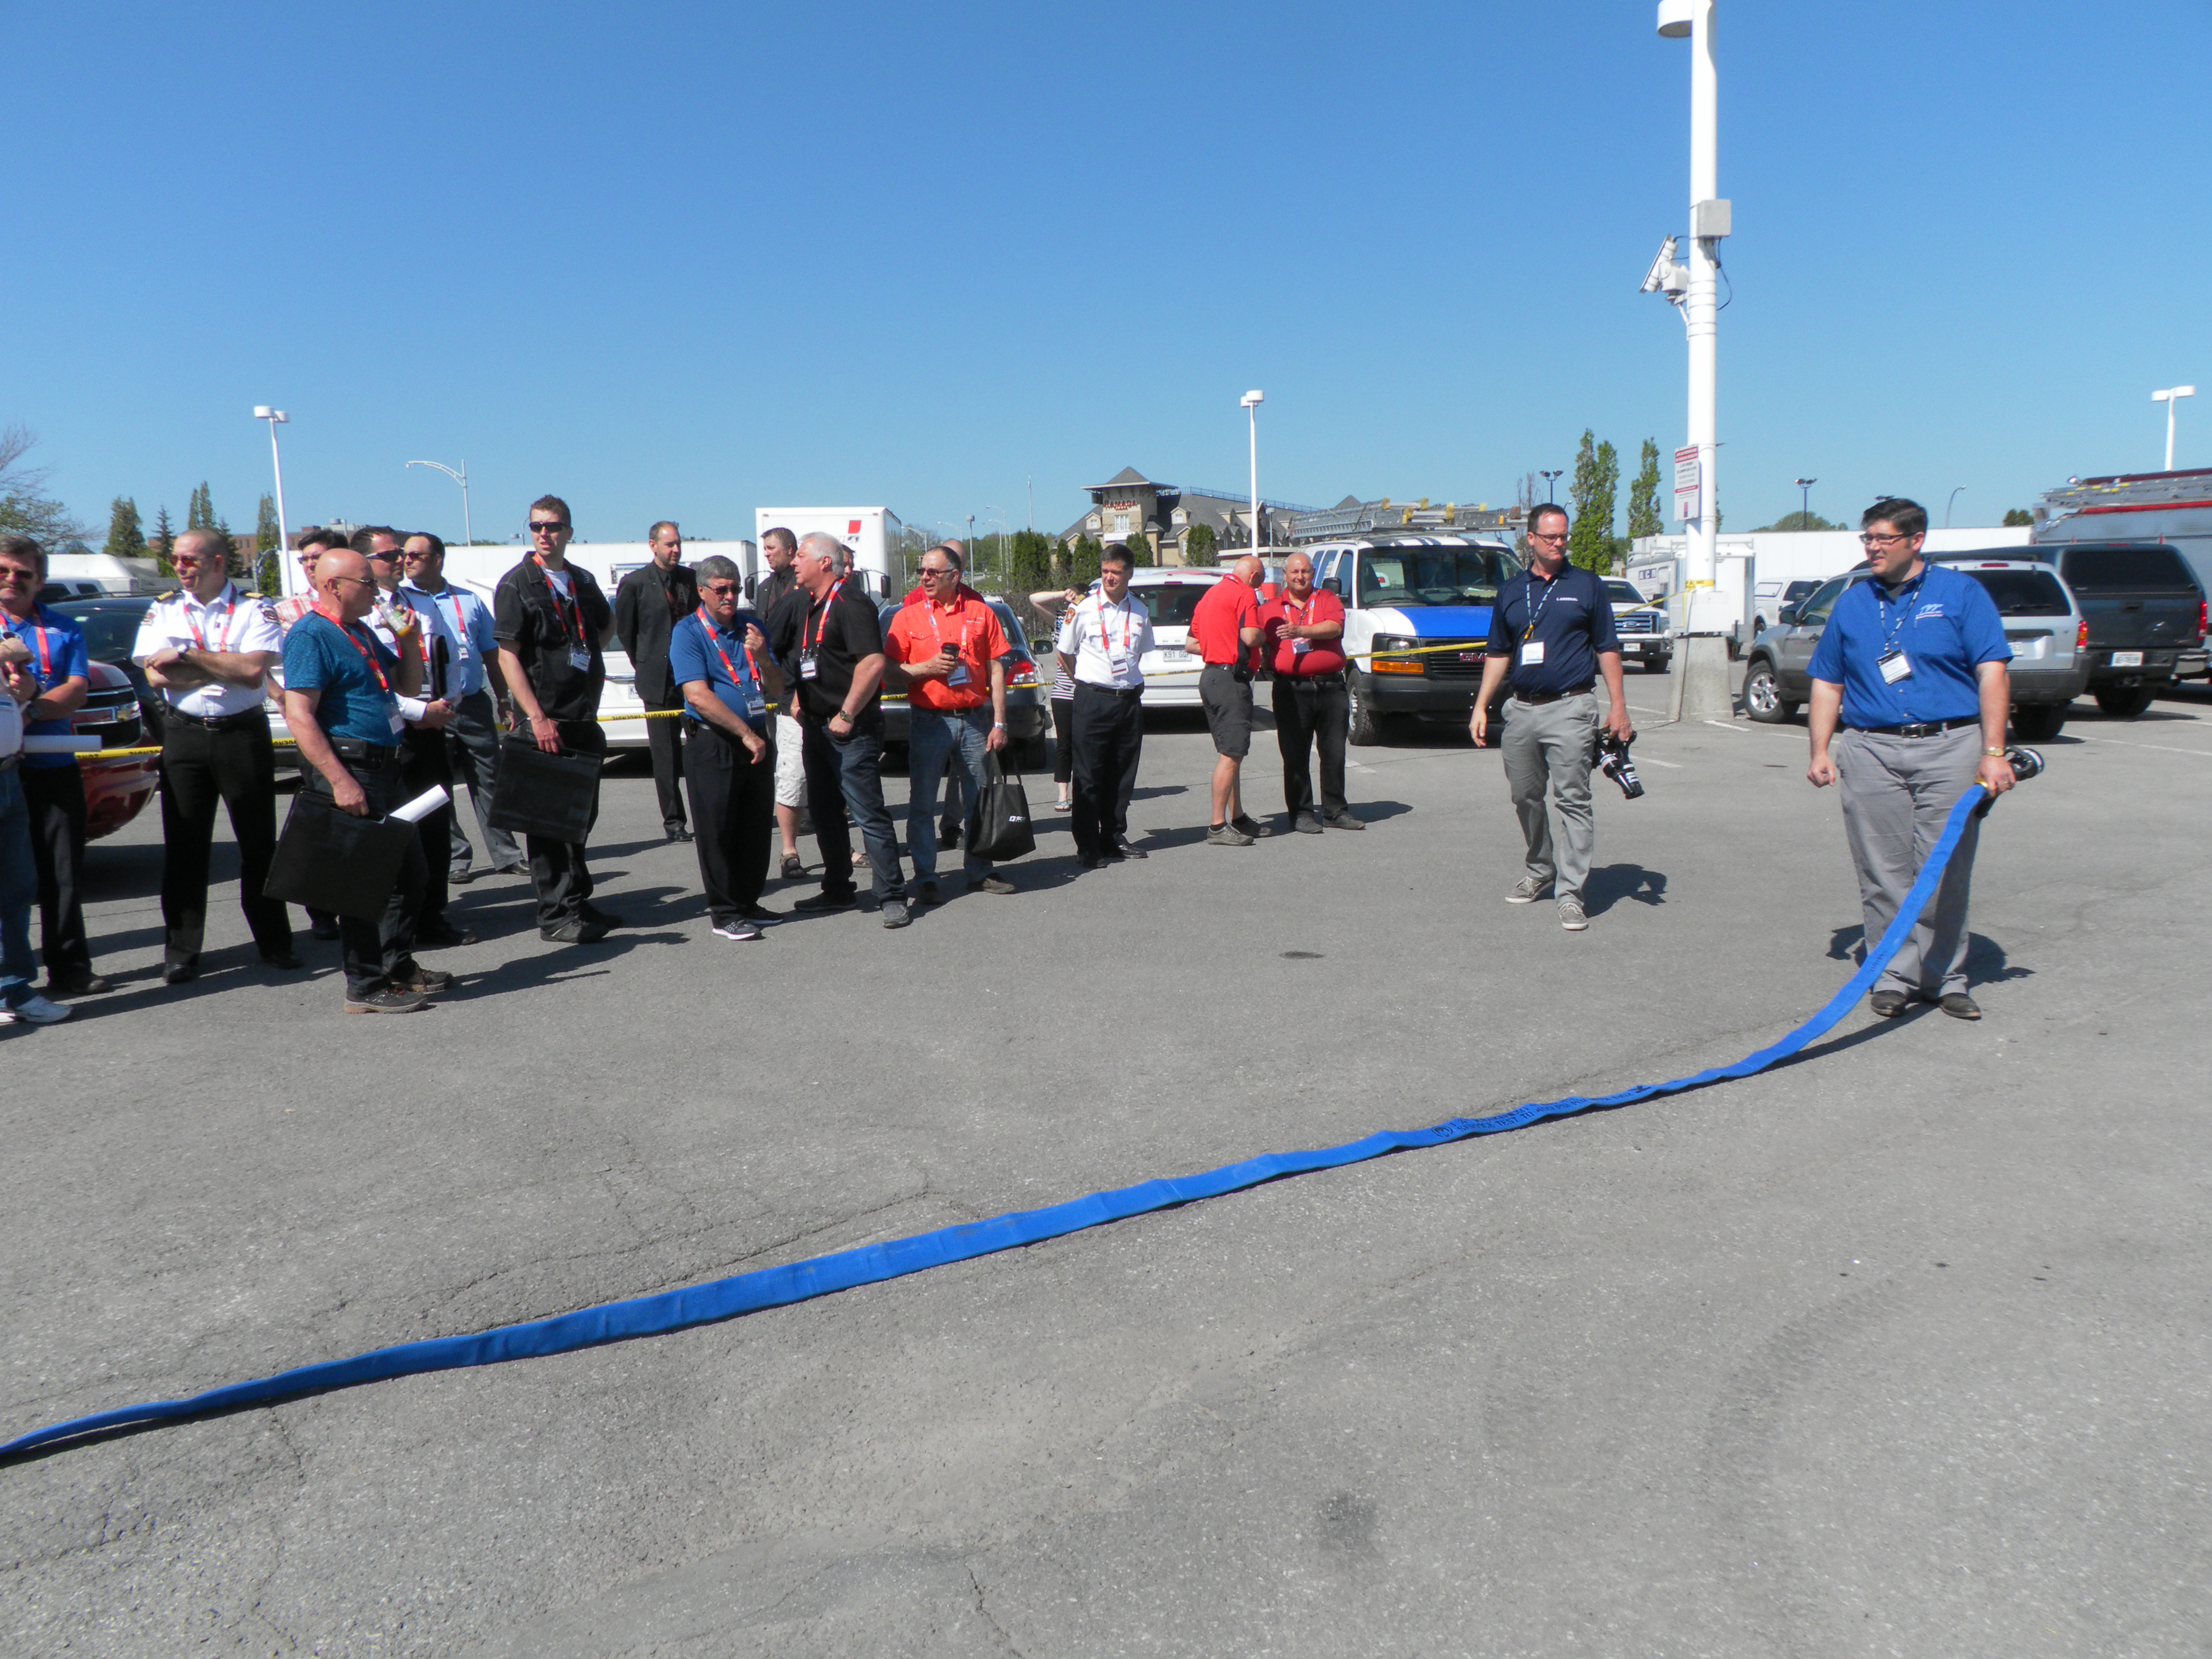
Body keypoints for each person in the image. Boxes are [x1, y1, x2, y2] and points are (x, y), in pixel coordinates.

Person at [1807, 498, 2015, 1019]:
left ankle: (1945, 976)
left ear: (1916, 539)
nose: (1873, 548)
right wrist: (1820, 749)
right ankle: (1894, 975)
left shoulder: (1959, 594)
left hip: (1949, 746)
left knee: (1944, 868)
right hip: (1871, 749)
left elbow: (1992, 671)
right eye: (1867, 538)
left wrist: (1993, 752)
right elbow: (1827, 681)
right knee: (1883, 870)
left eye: (1884, 538)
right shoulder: (1853, 603)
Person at [279, 549, 446, 1014]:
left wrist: (409, 641)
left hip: (386, 766)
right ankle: (365, 985)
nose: (377, 591)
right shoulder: (310, 635)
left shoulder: (360, 631)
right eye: (367, 582)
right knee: (361, 884)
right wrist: (339, 780)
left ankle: (397, 966)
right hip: (354, 769)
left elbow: (405, 688)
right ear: (334, 586)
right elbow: (299, 715)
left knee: (410, 875)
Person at [131, 526, 298, 983]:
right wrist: (222, 663)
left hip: (241, 735)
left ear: (218, 562)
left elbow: (253, 670)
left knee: (258, 844)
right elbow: (156, 676)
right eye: (175, 559)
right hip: (184, 734)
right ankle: (182, 951)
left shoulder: (254, 607)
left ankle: (274, 942)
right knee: (185, 847)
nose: (179, 567)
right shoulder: (165, 607)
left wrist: (186, 653)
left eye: (189, 559)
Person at [1469, 504, 1632, 932]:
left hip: (1571, 707)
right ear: (1531, 539)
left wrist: (1618, 706)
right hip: (1521, 709)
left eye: (1563, 536)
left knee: (1573, 799)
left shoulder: (1587, 586)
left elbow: (1607, 648)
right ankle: (1541, 869)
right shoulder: (1511, 591)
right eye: (1550, 537)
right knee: (1525, 795)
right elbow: (1498, 653)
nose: (1559, 543)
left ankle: (1571, 893)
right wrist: (1481, 705)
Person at [495, 495, 618, 944]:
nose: (544, 534)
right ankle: (556, 914)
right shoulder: (518, 584)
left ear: (569, 531)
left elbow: (605, 625)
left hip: (582, 716)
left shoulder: (581, 580)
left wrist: (586, 654)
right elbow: (508, 656)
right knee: (548, 825)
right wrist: (537, 716)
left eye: (552, 526)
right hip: (546, 721)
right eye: (536, 526)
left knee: (580, 818)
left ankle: (578, 901)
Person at [770, 530, 908, 925]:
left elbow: (873, 663)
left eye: (801, 556)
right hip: (815, 728)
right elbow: (804, 658)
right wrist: (798, 697)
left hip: (852, 730)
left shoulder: (851, 602)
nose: (794, 562)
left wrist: (846, 714)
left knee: (867, 813)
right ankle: (838, 889)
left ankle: (892, 895)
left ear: (825, 562)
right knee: (826, 813)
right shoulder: (808, 604)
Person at [885, 545, 1018, 903]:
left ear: (955, 576)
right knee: (922, 805)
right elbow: (889, 671)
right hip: (929, 721)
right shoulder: (907, 617)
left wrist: (1000, 722)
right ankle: (926, 878)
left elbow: (996, 669)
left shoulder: (981, 612)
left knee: (979, 802)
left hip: (975, 721)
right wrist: (925, 669)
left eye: (933, 572)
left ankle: (979, 871)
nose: (924, 578)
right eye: (922, 572)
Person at [0, 534, 103, 996]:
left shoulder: (64, 627)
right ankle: (11, 980)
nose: (12, 579)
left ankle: (70, 967)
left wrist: (34, 705)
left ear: (40, 581)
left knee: (62, 873)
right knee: (9, 880)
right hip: (5, 767)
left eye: (23, 573)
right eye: (3, 570)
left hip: (52, 763)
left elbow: (76, 690)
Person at [669, 555, 784, 941]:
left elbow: (778, 688)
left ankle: (749, 902)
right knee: (717, 829)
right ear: (702, 591)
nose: (730, 596)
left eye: (735, 589)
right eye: (721, 590)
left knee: (754, 826)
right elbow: (697, 696)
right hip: (714, 741)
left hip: (755, 738)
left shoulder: (752, 627)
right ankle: (725, 912)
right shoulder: (689, 632)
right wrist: (745, 733)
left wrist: (763, 657)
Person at [400, 532, 525, 887]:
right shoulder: (401, 601)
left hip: (471, 705)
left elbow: (492, 654)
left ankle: (506, 854)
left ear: (438, 559)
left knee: (489, 780)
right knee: (438, 785)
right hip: (429, 709)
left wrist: (504, 700)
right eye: (405, 555)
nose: (407, 561)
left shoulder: (469, 600)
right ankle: (456, 856)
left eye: (416, 555)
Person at [360, 531, 465, 946]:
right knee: (399, 832)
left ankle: (433, 916)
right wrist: (418, 712)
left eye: (401, 553)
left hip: (431, 729)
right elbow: (375, 680)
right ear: (365, 561)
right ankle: (397, 927)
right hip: (394, 732)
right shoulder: (363, 611)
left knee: (435, 825)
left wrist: (446, 703)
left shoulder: (419, 602)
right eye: (389, 554)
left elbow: (449, 655)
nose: (400, 560)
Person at [1061, 543, 1154, 868]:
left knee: (1122, 774)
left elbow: (1140, 653)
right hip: (1093, 700)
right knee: (1088, 775)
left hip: (1127, 701)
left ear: (1129, 574)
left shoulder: (1140, 610)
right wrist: (1086, 684)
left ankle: (1113, 837)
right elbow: (1064, 653)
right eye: (1105, 572)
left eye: (1116, 572)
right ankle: (1087, 845)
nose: (1109, 578)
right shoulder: (1083, 608)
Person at [1261, 550, 1362, 834]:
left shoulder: (1327, 599)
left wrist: (1300, 631)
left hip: (1331, 688)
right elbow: (1258, 640)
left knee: (1334, 754)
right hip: (1291, 691)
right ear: (1285, 575)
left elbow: (1334, 627)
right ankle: (1302, 813)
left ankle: (1335, 812)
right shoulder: (1269, 609)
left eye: (1305, 571)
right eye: (1294, 572)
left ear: (1313, 573)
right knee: (1295, 755)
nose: (1300, 577)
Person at [613, 520, 700, 843]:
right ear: (653, 546)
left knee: (701, 749)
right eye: (669, 544)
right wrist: (645, 664)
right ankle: (674, 822)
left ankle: (707, 813)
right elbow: (627, 632)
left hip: (693, 678)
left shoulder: (692, 580)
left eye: (678, 544)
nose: (675, 550)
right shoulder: (635, 583)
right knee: (666, 756)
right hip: (658, 681)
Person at [0, 639, 69, 1025]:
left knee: (16, 889)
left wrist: (27, 692)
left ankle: (14, 990)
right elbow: (12, 649)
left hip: (8, 773)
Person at [1186, 555, 1271, 846]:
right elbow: (1249, 636)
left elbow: (1191, 643)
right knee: (1232, 754)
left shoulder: (1209, 595)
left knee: (1229, 752)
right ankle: (1218, 825)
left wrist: (1218, 643)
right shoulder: (1244, 593)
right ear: (1254, 576)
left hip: (1211, 677)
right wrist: (1264, 636)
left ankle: (1238, 817)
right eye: (1259, 583)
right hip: (1231, 681)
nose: (1257, 588)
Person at [754, 526, 810, 880]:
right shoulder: (765, 588)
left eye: (772, 549)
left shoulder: (804, 588)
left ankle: (836, 841)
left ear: (791, 550)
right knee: (788, 768)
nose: (768, 554)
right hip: (777, 690)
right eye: (765, 549)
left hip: (808, 690)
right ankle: (789, 849)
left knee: (819, 770)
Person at [1027, 584, 1081, 812]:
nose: (1075, 605)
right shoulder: (1062, 621)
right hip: (1063, 693)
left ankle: (1085, 793)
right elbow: (1034, 599)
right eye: (1073, 601)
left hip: (1089, 693)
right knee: (1064, 745)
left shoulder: (1095, 622)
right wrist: (1062, 594)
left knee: (1086, 746)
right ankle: (1063, 795)